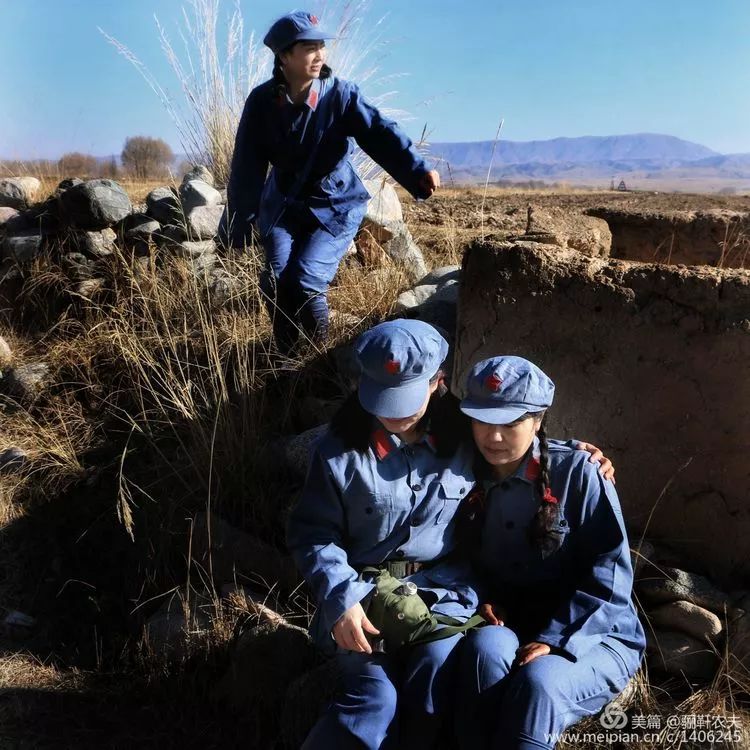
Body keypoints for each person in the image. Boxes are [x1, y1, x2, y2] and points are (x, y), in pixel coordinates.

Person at [286, 321, 616, 749]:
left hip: (445, 598)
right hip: (364, 598)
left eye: (405, 396)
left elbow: (517, 442)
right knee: (374, 698)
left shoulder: (464, 433)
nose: (392, 412)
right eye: (382, 397)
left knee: (436, 670)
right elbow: (313, 534)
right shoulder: (339, 451)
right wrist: (341, 600)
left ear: (436, 382)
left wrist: (585, 456)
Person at [218, 11, 440, 352]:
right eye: (309, 47)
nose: (320, 54)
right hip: (284, 205)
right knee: (275, 280)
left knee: (306, 281)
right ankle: (286, 354)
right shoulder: (262, 104)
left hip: (335, 206)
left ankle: (316, 354)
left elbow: (380, 132)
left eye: (321, 45)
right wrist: (239, 225)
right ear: (284, 57)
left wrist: (416, 170)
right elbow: (246, 167)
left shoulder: (341, 96)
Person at [453, 356, 645, 750]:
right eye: (483, 421)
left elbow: (610, 577)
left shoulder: (579, 473)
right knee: (483, 652)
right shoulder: (459, 472)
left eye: (510, 423)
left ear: (538, 419)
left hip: (593, 635)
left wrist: (556, 639)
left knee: (538, 683)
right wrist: (481, 599)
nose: (494, 436)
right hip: (513, 623)